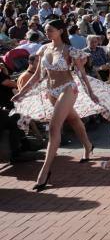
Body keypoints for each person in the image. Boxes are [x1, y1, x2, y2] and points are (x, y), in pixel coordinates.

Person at [11, 19, 99, 191]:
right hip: (51, 91)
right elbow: (37, 76)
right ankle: (88, 146)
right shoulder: (43, 49)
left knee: (53, 127)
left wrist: (91, 92)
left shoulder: (70, 50)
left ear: (60, 31)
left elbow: (81, 74)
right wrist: (21, 93)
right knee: (73, 119)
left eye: (50, 30)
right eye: (46, 30)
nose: (47, 32)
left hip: (68, 88)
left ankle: (44, 172)